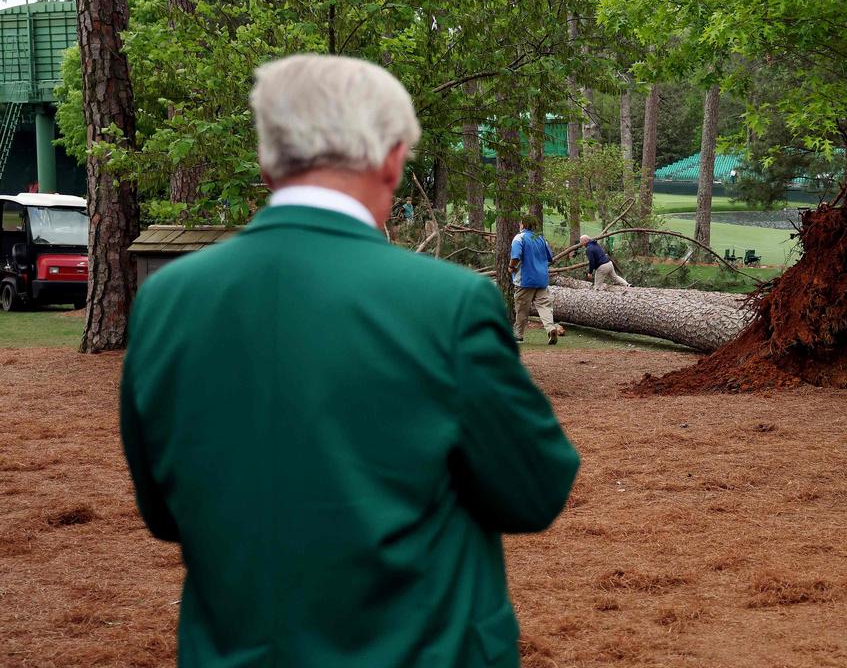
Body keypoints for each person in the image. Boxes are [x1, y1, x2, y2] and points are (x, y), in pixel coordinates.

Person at [119, 54, 579, 667]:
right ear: (391, 156)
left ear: (267, 160)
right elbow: (534, 490)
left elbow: (164, 512)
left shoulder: (166, 302)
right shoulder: (449, 303)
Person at [509, 214, 559, 344]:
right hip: (541, 279)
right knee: (545, 307)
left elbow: (516, 256)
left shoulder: (519, 238)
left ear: (523, 225)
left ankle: (518, 335)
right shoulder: (541, 239)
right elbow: (550, 258)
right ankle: (551, 328)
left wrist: (511, 267)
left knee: (521, 309)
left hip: (525, 280)